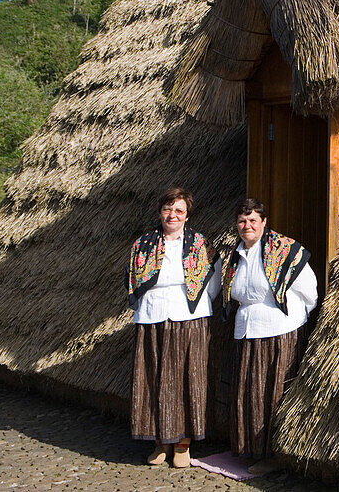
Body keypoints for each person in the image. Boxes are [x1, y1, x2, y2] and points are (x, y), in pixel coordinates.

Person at [222, 198, 319, 474]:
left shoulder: (284, 250)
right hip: (247, 331)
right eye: (242, 221)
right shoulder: (236, 255)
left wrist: (295, 319)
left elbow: (309, 290)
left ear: (264, 222)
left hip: (279, 330)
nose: (247, 226)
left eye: (253, 220)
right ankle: (250, 449)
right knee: (248, 391)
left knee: (272, 392)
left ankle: (273, 455)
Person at [126, 187, 219, 468]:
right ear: (160, 212)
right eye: (168, 209)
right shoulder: (142, 244)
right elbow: (133, 280)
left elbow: (212, 281)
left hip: (189, 316)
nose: (172, 215)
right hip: (153, 315)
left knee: (188, 378)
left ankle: (182, 444)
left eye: (179, 210)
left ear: (187, 215)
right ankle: (159, 443)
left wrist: (195, 303)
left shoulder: (200, 243)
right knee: (154, 379)